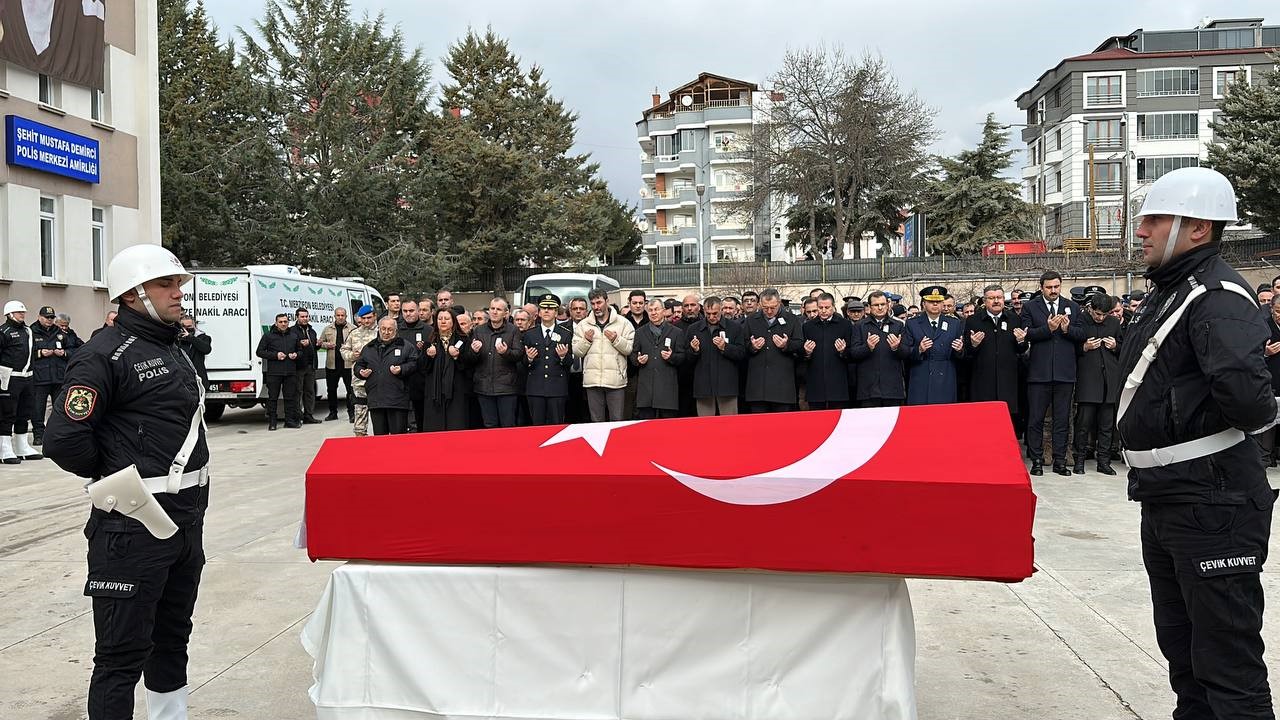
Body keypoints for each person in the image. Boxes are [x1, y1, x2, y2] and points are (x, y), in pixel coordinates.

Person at [1118, 166, 1277, 719]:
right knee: (1185, 655)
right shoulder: (1172, 291)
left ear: (1198, 228)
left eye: (1154, 218)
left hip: (1213, 502)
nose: (1141, 229)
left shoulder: (1218, 295)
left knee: (1227, 663)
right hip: (1170, 496)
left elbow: (1247, 396)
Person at [44, 244, 211, 720]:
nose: (179, 294)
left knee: (173, 636)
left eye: (178, 284)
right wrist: (119, 476)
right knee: (120, 656)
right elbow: (65, 439)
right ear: (135, 294)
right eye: (166, 285)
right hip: (130, 527)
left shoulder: (171, 345)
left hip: (183, 522)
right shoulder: (101, 355)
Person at [1022, 270, 1085, 476]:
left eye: (1056, 287)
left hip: (1065, 373)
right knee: (1036, 419)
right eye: (1049, 287)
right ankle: (1037, 459)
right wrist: (1047, 328)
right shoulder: (1030, 307)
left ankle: (1060, 460)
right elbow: (1026, 333)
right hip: (1039, 373)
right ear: (1042, 288)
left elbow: (1081, 334)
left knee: (1061, 419)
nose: (1053, 291)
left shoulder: (1073, 307)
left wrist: (1067, 330)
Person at [1073, 290, 1123, 475]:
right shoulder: (1081, 320)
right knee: (1083, 424)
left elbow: (1125, 347)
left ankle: (1104, 461)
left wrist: (1116, 346)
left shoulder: (1114, 323)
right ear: (1091, 309)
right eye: (1097, 314)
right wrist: (1083, 347)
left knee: (1106, 425)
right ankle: (1079, 460)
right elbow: (1070, 346)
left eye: (1104, 314)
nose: (1100, 318)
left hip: (1109, 379)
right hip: (1088, 380)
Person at [966, 285, 1028, 428]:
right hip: (982, 383)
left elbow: (1021, 350)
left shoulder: (1014, 319)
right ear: (985, 301)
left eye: (999, 297)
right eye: (991, 298)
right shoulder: (973, 321)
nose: (996, 301)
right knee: (983, 425)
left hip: (1008, 381)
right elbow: (967, 353)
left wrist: (1021, 341)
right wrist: (974, 344)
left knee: (1006, 425)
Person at [573, 288, 634, 422]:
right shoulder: (583, 325)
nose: (596, 307)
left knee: (617, 420)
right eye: (593, 304)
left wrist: (616, 340)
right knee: (596, 422)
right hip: (592, 381)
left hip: (616, 381)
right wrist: (586, 340)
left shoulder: (623, 323)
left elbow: (629, 349)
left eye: (599, 302)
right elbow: (577, 351)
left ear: (607, 301)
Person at [848, 291, 913, 408]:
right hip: (868, 390)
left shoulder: (898, 325)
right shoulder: (860, 326)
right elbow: (853, 353)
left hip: (893, 389)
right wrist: (867, 347)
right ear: (869, 307)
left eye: (883, 304)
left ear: (888, 305)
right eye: (876, 305)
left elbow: (907, 352)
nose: (880, 308)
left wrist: (897, 348)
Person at [354, 316, 418, 435]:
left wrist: (402, 369)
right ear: (379, 329)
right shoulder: (369, 347)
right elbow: (358, 365)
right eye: (383, 329)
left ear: (395, 330)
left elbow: (414, 364)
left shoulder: (406, 346)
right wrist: (361, 372)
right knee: (380, 439)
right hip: (376, 399)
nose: (386, 332)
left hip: (397, 400)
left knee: (398, 439)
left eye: (390, 329)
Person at [741, 288, 801, 412]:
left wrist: (786, 345)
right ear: (760, 305)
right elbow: (742, 347)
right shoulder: (751, 320)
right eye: (765, 308)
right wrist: (752, 347)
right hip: (757, 387)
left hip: (782, 386)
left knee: (782, 427)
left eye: (773, 307)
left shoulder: (792, 320)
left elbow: (800, 344)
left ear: (779, 303)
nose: (769, 311)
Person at [904, 285, 965, 405]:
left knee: (944, 415)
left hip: (945, 375)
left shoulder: (954, 323)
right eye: (931, 301)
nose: (935, 304)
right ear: (924, 304)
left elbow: (961, 354)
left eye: (938, 301)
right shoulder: (912, 323)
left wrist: (959, 350)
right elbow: (905, 352)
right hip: (922, 375)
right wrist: (919, 349)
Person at [685, 296, 745, 416]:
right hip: (703, 387)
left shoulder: (735, 328)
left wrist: (725, 348)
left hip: (727, 386)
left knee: (730, 425)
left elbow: (742, 354)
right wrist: (694, 350)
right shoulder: (694, 329)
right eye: (708, 314)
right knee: (705, 427)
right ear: (704, 311)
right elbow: (687, 359)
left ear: (721, 310)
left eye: (715, 313)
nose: (712, 317)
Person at [469, 297, 523, 428]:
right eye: (492, 308)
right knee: (489, 424)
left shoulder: (513, 330)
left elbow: (519, 355)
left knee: (508, 424)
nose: (494, 312)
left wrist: (506, 352)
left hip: (506, 387)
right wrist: (474, 351)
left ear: (505, 313)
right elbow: (470, 359)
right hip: (484, 386)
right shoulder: (478, 330)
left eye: (498, 309)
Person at [0, 300, 42, 462]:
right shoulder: (4, 332)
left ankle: (21, 446)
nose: (22, 314)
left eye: (23, 312)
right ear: (10, 314)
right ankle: (4, 449)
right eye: (19, 312)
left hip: (27, 377)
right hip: (9, 377)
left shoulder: (27, 331)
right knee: (7, 413)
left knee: (24, 412)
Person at [31, 304, 79, 446]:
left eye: (52, 317)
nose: (49, 320)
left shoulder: (60, 333)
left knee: (59, 408)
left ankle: (56, 434)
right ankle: (38, 435)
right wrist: (39, 353)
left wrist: (64, 353)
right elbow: (23, 354)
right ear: (39, 317)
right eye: (47, 317)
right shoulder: (31, 332)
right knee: (38, 408)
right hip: (40, 377)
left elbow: (74, 349)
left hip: (58, 377)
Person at [522, 294, 573, 425]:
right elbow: (522, 363)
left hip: (557, 388)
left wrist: (563, 356)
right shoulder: (530, 334)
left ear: (556, 313)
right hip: (535, 388)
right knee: (537, 427)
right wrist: (529, 358)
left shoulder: (565, 334)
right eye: (543, 308)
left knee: (556, 426)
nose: (546, 311)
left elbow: (569, 363)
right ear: (538, 313)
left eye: (550, 308)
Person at [631, 298, 685, 419]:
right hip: (646, 391)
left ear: (664, 311)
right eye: (650, 310)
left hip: (667, 389)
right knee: (647, 429)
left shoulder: (676, 332)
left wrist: (672, 357)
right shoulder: (640, 332)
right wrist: (638, 360)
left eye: (656, 309)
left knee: (668, 429)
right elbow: (633, 355)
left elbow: (682, 357)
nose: (653, 313)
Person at [801, 292, 854, 410]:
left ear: (833, 307)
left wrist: (843, 351)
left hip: (838, 383)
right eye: (820, 308)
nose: (823, 311)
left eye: (827, 307)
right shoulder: (808, 326)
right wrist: (807, 352)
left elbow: (853, 353)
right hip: (816, 383)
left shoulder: (845, 325)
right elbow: (801, 355)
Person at [422, 307, 472, 431]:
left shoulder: (463, 339)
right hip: (435, 391)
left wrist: (456, 357)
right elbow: (422, 367)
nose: (443, 321)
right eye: (440, 319)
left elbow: (469, 365)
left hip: (456, 390)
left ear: (453, 322)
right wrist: (430, 357)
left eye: (446, 318)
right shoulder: (430, 340)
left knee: (456, 425)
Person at [256, 314, 300, 430]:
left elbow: (300, 351)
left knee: (289, 398)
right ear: (276, 323)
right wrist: (275, 355)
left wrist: (296, 355)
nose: (283, 324)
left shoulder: (293, 336)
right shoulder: (268, 336)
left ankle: (289, 421)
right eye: (280, 322)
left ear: (288, 323)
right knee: (272, 398)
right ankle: (272, 422)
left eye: (285, 321)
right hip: (274, 372)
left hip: (290, 372)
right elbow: (259, 352)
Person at [340, 305, 379, 436]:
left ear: (375, 316)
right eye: (364, 318)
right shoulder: (354, 333)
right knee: (360, 413)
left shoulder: (381, 331)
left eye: (369, 318)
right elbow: (344, 350)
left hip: (379, 380)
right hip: (359, 382)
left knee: (380, 415)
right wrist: (352, 356)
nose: (367, 321)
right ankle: (360, 439)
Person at [396, 300, 430, 431]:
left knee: (420, 419)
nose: (408, 314)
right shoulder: (396, 329)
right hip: (400, 381)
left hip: (421, 382)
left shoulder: (428, 330)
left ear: (418, 311)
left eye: (411, 311)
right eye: (405, 311)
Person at [319, 307, 354, 422]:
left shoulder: (352, 329)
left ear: (346, 316)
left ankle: (351, 413)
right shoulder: (328, 329)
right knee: (332, 390)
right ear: (334, 316)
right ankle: (333, 412)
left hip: (348, 364)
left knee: (351, 389)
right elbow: (320, 342)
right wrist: (326, 345)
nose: (340, 317)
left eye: (342, 315)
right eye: (338, 315)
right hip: (332, 364)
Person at [289, 308, 322, 424]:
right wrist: (300, 344)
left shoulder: (311, 331)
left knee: (310, 391)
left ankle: (309, 415)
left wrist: (317, 344)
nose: (305, 319)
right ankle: (297, 416)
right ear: (297, 317)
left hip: (311, 365)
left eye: (306, 316)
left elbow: (312, 346)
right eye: (302, 317)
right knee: (297, 392)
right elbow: (290, 346)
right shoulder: (292, 331)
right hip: (298, 366)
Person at [1261, 295, 1280, 467]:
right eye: (1278, 311)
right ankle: (1267, 457)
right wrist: (1265, 353)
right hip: (1271, 381)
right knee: (1269, 424)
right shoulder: (1264, 326)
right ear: (1272, 309)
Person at [565, 297, 589, 423]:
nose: (578, 311)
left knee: (587, 414)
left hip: (587, 376)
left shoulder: (593, 328)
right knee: (570, 414)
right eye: (575, 309)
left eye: (581, 309)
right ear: (570, 310)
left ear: (587, 311)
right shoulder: (562, 329)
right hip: (568, 377)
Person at [177, 314, 211, 389]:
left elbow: (206, 349)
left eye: (189, 326)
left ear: (194, 325)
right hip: (182, 379)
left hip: (198, 378)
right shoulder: (176, 339)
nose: (186, 329)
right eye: (184, 327)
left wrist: (190, 338)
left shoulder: (203, 338)